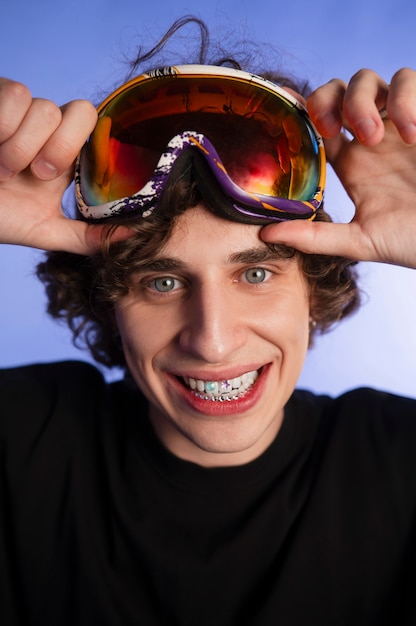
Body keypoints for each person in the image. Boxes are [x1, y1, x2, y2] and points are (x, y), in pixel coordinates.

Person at [1, 16, 416, 626]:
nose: (213, 340)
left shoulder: (398, 461)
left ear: (314, 286)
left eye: (254, 274)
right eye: (162, 282)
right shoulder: (22, 437)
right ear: (107, 298)